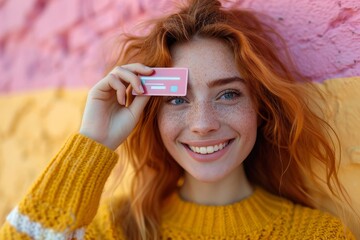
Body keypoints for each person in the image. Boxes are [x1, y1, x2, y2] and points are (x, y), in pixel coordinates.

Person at [0, 0, 355, 239]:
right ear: (153, 115)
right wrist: (94, 141)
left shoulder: (314, 233)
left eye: (228, 94)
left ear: (260, 108)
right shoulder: (120, 228)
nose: (203, 123)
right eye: (177, 99)